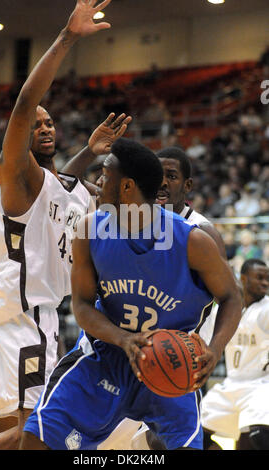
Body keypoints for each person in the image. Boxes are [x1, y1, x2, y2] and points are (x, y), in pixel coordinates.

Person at [0, 0, 131, 451]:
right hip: (27, 314)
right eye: (35, 123)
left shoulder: (68, 185)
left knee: (3, 427)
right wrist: (68, 37)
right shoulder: (18, 177)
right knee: (38, 430)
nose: (43, 125)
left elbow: (66, 186)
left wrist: (92, 152)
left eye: (50, 121)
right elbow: (25, 103)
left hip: (21, 312)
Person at [20, 137, 241, 450]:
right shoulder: (89, 231)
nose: (99, 181)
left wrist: (215, 348)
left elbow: (233, 297)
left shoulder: (193, 241)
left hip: (170, 357)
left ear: (126, 188)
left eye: (106, 175)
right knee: (35, 439)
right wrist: (121, 338)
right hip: (106, 353)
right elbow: (82, 306)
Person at [98, 145, 228, 450]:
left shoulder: (201, 231)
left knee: (165, 436)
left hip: (182, 346)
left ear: (187, 185)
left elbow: (223, 298)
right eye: (159, 175)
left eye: (172, 176)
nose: (163, 183)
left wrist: (202, 345)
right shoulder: (133, 220)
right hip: (135, 345)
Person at [202, 258, 269, 450]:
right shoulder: (225, 311)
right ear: (244, 279)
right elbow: (204, 341)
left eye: (267, 278)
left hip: (261, 384)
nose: (265, 282)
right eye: (259, 277)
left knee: (259, 436)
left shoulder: (266, 309)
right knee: (196, 436)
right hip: (231, 384)